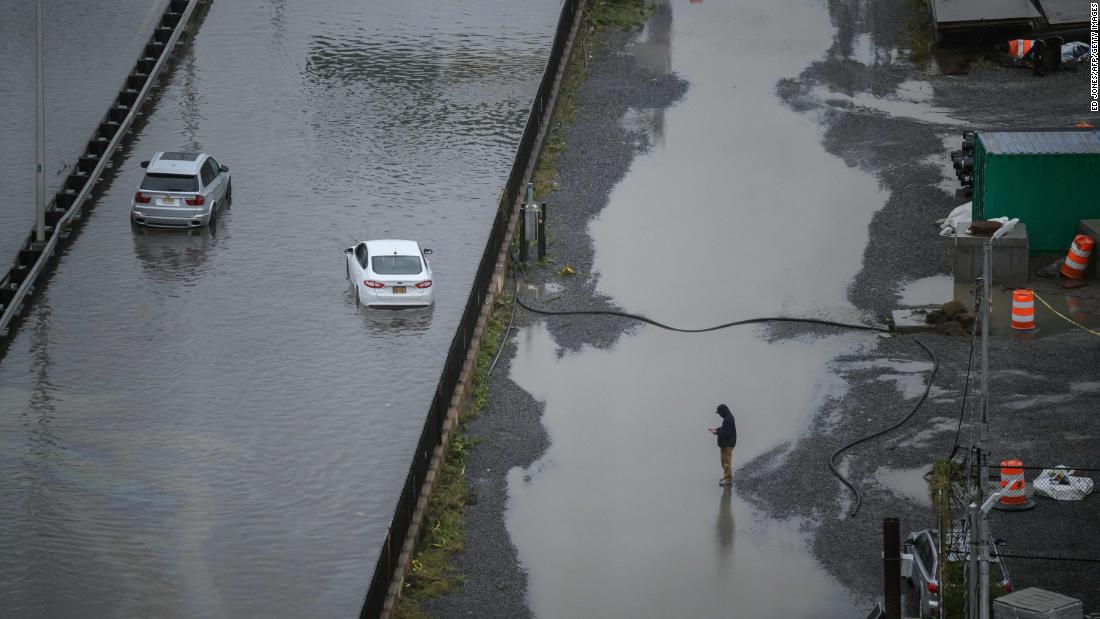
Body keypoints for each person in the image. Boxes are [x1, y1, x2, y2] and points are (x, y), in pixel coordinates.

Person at [708, 404, 736, 486]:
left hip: (727, 444)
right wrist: (717, 429)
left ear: (723, 412)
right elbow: (724, 429)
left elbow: (725, 433)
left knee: (726, 461)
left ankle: (728, 479)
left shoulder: (728, 419)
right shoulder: (729, 418)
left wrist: (716, 432)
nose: (719, 415)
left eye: (720, 413)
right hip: (727, 444)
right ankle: (726, 476)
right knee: (724, 461)